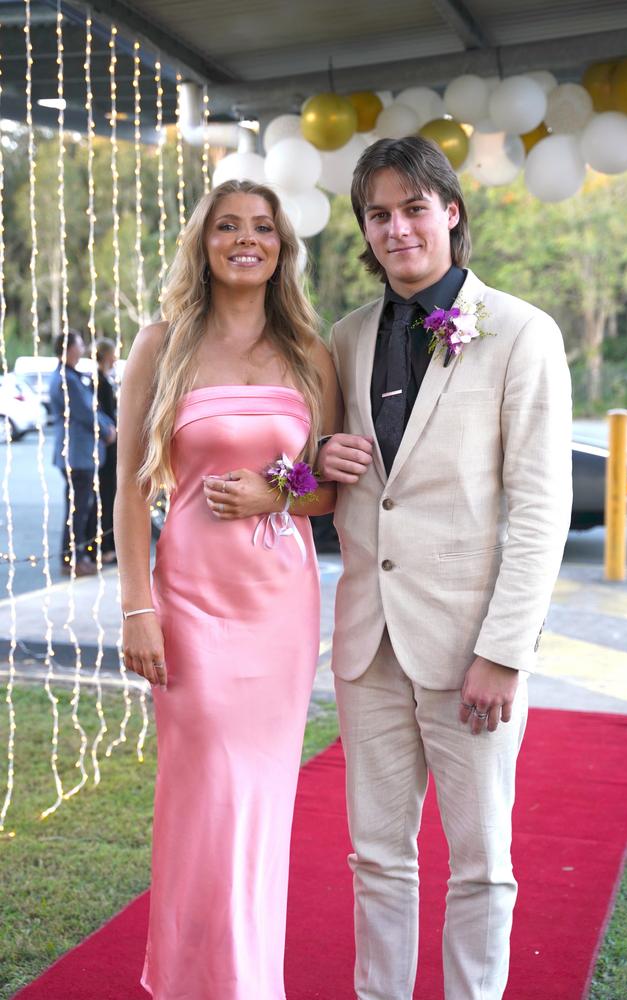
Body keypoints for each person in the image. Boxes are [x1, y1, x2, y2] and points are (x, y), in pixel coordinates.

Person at [318, 136, 573, 1000]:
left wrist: (505, 650)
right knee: (377, 856)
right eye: (378, 215)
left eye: (413, 209)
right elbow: (339, 481)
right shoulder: (345, 338)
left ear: (450, 212)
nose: (397, 229)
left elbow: (540, 509)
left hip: (472, 649)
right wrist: (322, 456)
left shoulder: (522, 333)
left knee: (481, 862)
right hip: (368, 646)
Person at [114, 179, 340, 999]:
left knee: (261, 801)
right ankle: (188, 980)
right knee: (203, 791)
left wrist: (277, 493)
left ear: (283, 247)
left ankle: (246, 982)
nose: (247, 239)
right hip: (189, 604)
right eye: (228, 226)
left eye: (263, 228)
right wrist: (137, 606)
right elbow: (132, 489)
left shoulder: (310, 353)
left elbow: (329, 488)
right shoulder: (162, 343)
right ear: (202, 242)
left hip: (279, 606)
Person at [49, 330, 116, 577]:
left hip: (78, 453)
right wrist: (107, 429)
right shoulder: (67, 379)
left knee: (79, 507)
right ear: (69, 348)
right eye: (79, 345)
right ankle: (72, 559)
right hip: (77, 453)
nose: (84, 348)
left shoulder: (70, 376)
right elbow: (85, 412)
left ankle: (75, 557)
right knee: (78, 509)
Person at [95, 338, 118, 563]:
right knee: (107, 496)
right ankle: (105, 546)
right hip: (108, 447)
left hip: (112, 445)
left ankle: (108, 545)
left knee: (110, 495)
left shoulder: (105, 379)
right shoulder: (99, 381)